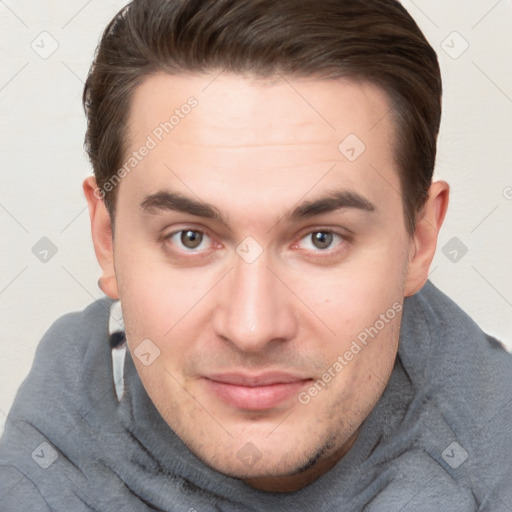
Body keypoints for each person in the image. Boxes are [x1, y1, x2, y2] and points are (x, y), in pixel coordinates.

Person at [1, 0, 511, 510]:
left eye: (321, 239)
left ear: (419, 241)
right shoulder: (44, 461)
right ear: (107, 242)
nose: (252, 328)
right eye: (191, 238)